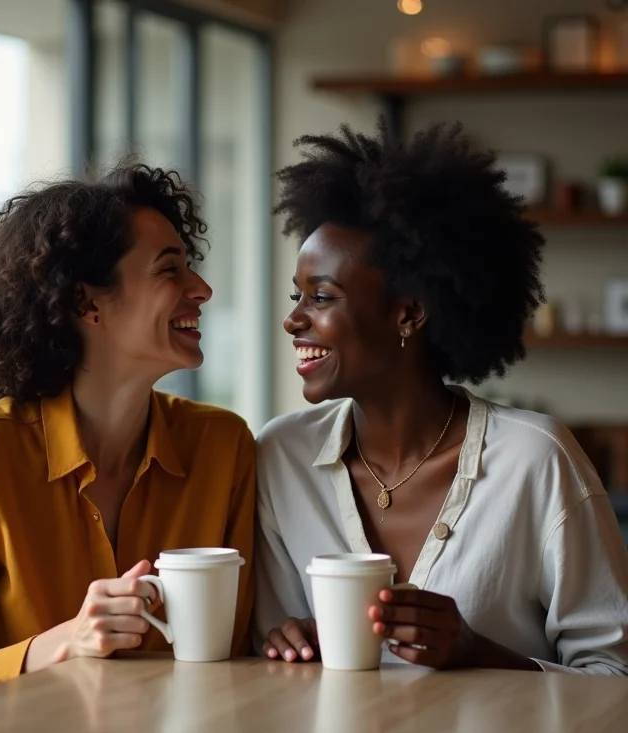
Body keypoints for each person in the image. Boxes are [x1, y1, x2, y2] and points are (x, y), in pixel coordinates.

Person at [0, 163, 255, 712]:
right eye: (170, 270)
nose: (203, 289)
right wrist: (59, 645)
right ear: (86, 303)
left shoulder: (223, 447)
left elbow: (244, 654)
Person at [255, 121, 628, 674]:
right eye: (297, 296)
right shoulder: (283, 456)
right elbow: (269, 658)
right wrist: (283, 644)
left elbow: (614, 680)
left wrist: (477, 653)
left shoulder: (536, 460)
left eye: (322, 297)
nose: (293, 320)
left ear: (408, 313)